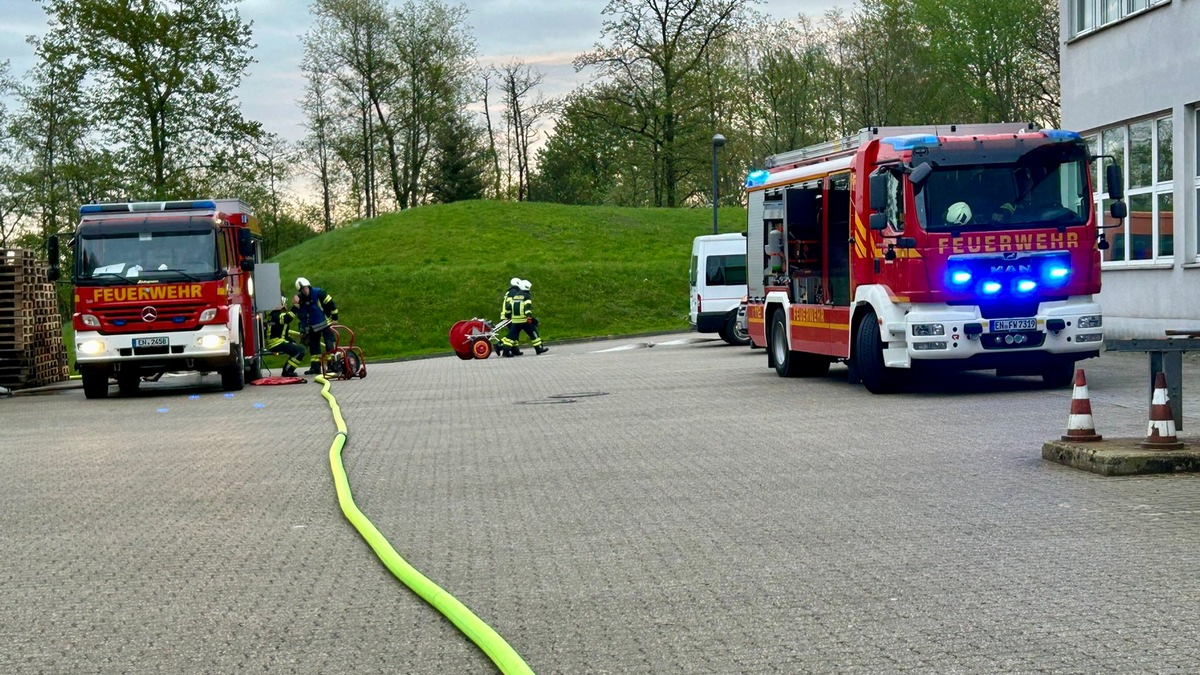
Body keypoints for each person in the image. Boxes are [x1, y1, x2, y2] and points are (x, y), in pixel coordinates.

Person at [293, 277, 340, 375]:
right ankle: (315, 368)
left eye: (305, 288)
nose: (304, 291)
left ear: (308, 286)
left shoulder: (319, 293)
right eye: (302, 289)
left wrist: (335, 318)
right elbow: (301, 316)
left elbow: (332, 305)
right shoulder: (300, 299)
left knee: (329, 344)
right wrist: (302, 330)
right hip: (313, 327)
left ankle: (332, 366)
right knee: (314, 347)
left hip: (325, 323)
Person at [500, 278, 548, 357]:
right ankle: (539, 348)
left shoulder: (516, 296)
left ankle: (506, 351)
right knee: (533, 333)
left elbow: (509, 307)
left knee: (511, 336)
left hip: (515, 321)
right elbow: (527, 308)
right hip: (524, 320)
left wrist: (507, 315)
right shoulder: (526, 296)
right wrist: (529, 317)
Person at [264, 296, 306, 377]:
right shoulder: (278, 315)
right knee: (300, 351)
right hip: (277, 343)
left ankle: (287, 369)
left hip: (276, 342)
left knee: (295, 346)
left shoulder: (273, 315)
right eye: (284, 303)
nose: (286, 305)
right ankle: (287, 371)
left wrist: (294, 339)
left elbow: (283, 333)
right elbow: (288, 318)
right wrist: (296, 305)